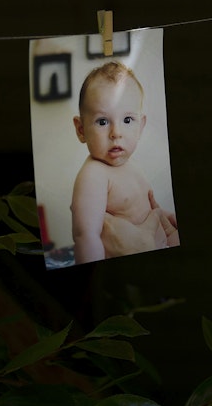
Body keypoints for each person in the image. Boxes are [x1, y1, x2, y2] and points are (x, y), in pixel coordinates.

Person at [71, 61, 178, 264]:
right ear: (81, 130)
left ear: (140, 126)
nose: (116, 133)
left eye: (127, 120)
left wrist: (167, 217)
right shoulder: (94, 175)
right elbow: (86, 235)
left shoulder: (131, 165)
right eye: (102, 121)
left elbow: (140, 211)